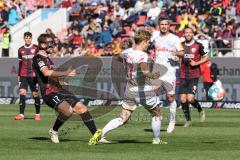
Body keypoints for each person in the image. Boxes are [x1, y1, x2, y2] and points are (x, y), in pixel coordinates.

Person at [89, 29, 167, 145]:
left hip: (129, 88)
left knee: (123, 118)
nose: (148, 44)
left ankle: (101, 132)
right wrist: (153, 75)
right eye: (148, 42)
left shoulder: (127, 52)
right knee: (156, 112)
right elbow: (145, 71)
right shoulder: (142, 55)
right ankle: (156, 139)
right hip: (142, 89)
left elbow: (117, 58)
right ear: (144, 41)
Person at [32, 34, 99, 143]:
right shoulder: (37, 58)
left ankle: (96, 136)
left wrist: (63, 80)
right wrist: (66, 72)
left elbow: (53, 76)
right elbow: (46, 72)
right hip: (49, 93)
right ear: (43, 45)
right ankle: (54, 130)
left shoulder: (48, 59)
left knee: (82, 108)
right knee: (68, 111)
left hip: (59, 90)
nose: (52, 47)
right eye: (50, 45)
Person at [151, 16, 184, 133]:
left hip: (170, 71)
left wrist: (177, 54)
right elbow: (148, 45)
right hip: (157, 71)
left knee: (170, 97)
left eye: (166, 24)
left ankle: (172, 121)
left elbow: (182, 52)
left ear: (169, 26)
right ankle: (157, 117)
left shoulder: (174, 38)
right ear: (159, 26)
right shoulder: (155, 36)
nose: (164, 26)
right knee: (151, 94)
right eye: (162, 24)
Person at [179, 27, 209, 127]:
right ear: (183, 34)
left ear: (193, 34)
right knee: (183, 99)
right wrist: (176, 56)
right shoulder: (181, 45)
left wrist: (197, 62)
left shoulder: (198, 45)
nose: (188, 34)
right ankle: (188, 120)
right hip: (183, 74)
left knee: (190, 98)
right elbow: (179, 55)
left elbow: (206, 57)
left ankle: (200, 109)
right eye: (186, 32)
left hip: (194, 75)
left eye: (190, 32)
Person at [15, 32, 41, 121]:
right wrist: (18, 74)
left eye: (29, 38)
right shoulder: (20, 50)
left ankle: (37, 114)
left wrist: (39, 74)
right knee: (22, 93)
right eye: (26, 38)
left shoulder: (36, 48)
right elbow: (20, 63)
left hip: (33, 76)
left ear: (31, 38)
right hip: (23, 75)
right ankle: (21, 115)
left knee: (35, 94)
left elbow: (39, 62)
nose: (28, 39)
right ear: (24, 38)